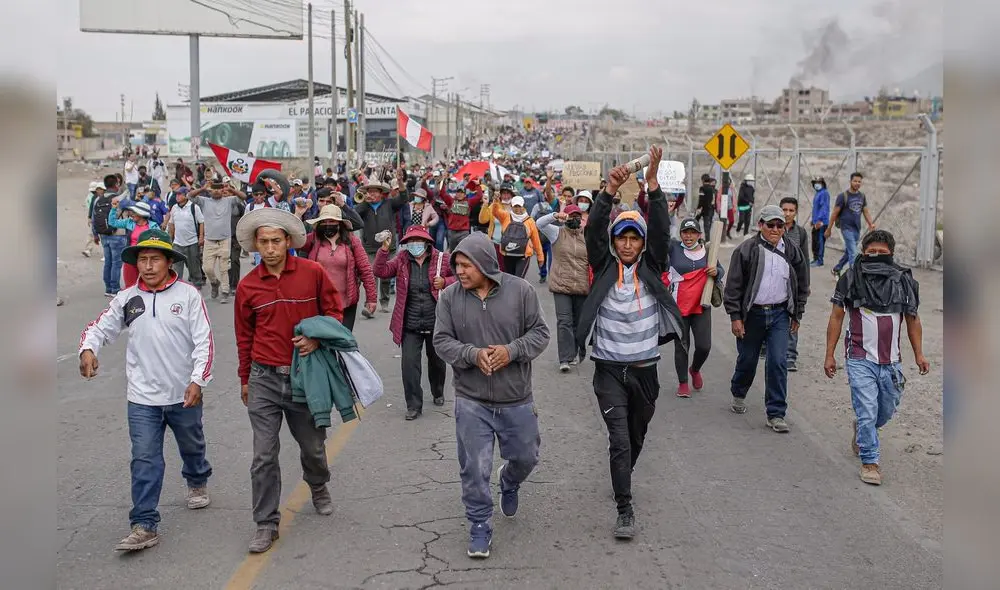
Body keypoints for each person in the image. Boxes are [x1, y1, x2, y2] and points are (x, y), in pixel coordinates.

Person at [78, 229, 214, 552]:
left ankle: (197, 478)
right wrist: (88, 349)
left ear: (169, 262)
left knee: (192, 445)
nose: (148, 266)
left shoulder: (188, 296)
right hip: (142, 399)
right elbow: (99, 327)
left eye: (155, 259)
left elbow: (204, 342)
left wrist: (197, 380)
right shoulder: (127, 299)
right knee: (144, 459)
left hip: (183, 394)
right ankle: (144, 523)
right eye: (143, 260)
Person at [575, 146, 683, 540]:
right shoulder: (604, 267)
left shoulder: (652, 267)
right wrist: (608, 192)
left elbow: (660, 234)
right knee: (619, 439)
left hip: (645, 371)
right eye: (621, 238)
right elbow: (592, 234)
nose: (627, 245)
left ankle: (625, 471)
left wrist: (652, 186)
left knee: (636, 437)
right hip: (608, 372)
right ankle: (625, 509)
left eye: (633, 239)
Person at [433, 232, 550, 559]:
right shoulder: (450, 298)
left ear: (485, 263)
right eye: (456, 264)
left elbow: (540, 334)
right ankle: (480, 524)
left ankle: (509, 480)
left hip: (516, 397)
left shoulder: (521, 291)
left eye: (466, 265)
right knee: (473, 468)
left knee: (527, 457)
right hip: (472, 400)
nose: (460, 271)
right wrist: (471, 355)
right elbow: (441, 341)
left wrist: (511, 351)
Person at [234, 208, 344, 554]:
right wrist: (245, 379)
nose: (269, 248)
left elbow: (335, 312)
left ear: (288, 242)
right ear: (255, 244)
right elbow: (243, 336)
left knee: (313, 447)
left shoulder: (312, 273)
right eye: (263, 242)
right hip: (264, 378)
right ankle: (266, 523)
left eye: (276, 241)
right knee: (263, 455)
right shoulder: (248, 285)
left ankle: (318, 484)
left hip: (304, 376)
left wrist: (318, 339)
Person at [823, 230, 929, 485]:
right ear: (863, 251)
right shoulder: (850, 278)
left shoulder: (903, 281)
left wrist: (919, 354)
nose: (877, 256)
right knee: (868, 411)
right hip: (859, 358)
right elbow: (836, 317)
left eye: (883, 252)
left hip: (891, 361)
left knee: (886, 409)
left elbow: (913, 320)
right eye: (872, 251)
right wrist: (830, 354)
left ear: (891, 254)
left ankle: (862, 430)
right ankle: (870, 462)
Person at [724, 205, 810, 433]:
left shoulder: (792, 251)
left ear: (785, 227)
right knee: (748, 359)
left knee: (778, 362)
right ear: (760, 225)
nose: (774, 229)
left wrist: (797, 313)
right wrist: (735, 317)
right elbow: (733, 287)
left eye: (779, 225)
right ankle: (739, 392)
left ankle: (776, 413)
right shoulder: (746, 250)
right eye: (770, 224)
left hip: (780, 314)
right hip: (752, 315)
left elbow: (802, 284)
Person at [374, 225, 456, 420]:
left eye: (418, 241)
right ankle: (413, 405)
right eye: (410, 242)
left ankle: (438, 391)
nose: (414, 244)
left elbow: (461, 277)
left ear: (427, 242)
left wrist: (445, 282)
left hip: (436, 320)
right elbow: (380, 271)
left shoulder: (442, 259)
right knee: (409, 365)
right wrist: (384, 250)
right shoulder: (402, 260)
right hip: (410, 323)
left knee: (437, 362)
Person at [666, 218, 724, 397]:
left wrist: (716, 272)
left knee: (704, 346)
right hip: (679, 307)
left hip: (701, 306)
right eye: (685, 232)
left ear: (699, 235)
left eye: (692, 232)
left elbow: (720, 270)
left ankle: (695, 369)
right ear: (680, 234)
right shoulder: (673, 247)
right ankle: (683, 383)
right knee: (682, 346)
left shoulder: (708, 251)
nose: (688, 236)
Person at [301, 204, 377, 331]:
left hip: (346, 304)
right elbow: (294, 241)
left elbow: (365, 270)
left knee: (343, 342)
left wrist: (371, 299)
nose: (327, 224)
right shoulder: (313, 239)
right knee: (323, 342)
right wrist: (298, 214)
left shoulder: (352, 241)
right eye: (324, 221)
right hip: (320, 303)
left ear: (339, 223)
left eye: (331, 221)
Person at [536, 205, 589, 371]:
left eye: (577, 216)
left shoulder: (587, 235)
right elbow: (539, 224)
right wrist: (555, 215)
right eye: (570, 215)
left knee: (578, 323)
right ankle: (564, 359)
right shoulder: (556, 233)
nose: (574, 218)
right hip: (561, 285)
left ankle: (574, 352)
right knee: (564, 321)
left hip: (581, 285)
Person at [354, 171, 409, 312]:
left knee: (385, 275)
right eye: (369, 192)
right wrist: (364, 202)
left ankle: (384, 301)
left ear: (381, 193)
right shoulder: (363, 207)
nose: (371, 194)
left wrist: (400, 181)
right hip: (370, 248)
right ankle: (370, 305)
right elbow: (353, 215)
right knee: (371, 276)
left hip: (387, 247)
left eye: (374, 192)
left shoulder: (389, 204)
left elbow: (403, 198)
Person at [188, 179, 246, 303]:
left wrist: (230, 189)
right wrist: (203, 188)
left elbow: (243, 196)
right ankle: (215, 283)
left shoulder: (229, 200)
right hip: (209, 241)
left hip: (225, 239)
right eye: (214, 188)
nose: (216, 190)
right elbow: (190, 196)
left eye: (219, 188)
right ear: (210, 190)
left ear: (222, 189)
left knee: (224, 268)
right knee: (207, 268)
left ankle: (224, 292)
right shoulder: (204, 201)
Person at [481, 193, 545, 279]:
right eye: (515, 206)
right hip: (507, 254)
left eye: (519, 206)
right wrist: (496, 201)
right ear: (511, 206)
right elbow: (495, 212)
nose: (517, 209)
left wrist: (540, 257)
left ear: (523, 206)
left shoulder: (530, 221)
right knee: (509, 279)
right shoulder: (505, 216)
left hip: (523, 255)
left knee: (519, 279)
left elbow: (536, 240)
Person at [780, 197, 810, 372]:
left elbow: (805, 260)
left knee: (793, 316)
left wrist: (806, 284)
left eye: (791, 210)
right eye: (784, 210)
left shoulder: (801, 233)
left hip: (794, 282)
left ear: (796, 212)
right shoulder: (773, 228)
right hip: (775, 280)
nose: (787, 213)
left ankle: (790, 356)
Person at [825, 172, 876, 278]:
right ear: (850, 182)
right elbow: (834, 213)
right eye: (855, 181)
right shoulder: (843, 196)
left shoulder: (862, 196)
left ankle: (836, 269)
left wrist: (871, 223)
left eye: (859, 181)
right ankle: (855, 278)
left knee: (849, 252)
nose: (857, 183)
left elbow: (865, 211)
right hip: (846, 228)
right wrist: (829, 229)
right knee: (854, 253)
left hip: (857, 228)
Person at [108, 200, 160, 289]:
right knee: (130, 286)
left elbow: (159, 244)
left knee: (148, 285)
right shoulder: (129, 222)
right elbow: (112, 222)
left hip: (146, 260)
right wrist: (113, 209)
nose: (131, 214)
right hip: (131, 258)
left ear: (141, 214)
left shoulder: (154, 227)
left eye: (134, 212)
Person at [92, 174, 128, 296]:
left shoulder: (98, 199)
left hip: (103, 235)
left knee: (108, 262)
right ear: (116, 185)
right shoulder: (119, 199)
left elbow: (94, 218)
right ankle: (115, 289)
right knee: (116, 263)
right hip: (118, 234)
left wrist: (95, 234)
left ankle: (108, 288)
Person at [166, 187, 205, 288]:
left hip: (192, 242)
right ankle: (176, 286)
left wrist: (201, 237)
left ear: (186, 195)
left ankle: (197, 284)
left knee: (194, 267)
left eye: (180, 194)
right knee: (176, 267)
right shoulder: (174, 207)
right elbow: (171, 224)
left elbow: (201, 222)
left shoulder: (194, 207)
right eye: (176, 194)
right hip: (178, 243)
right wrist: (170, 240)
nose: (177, 196)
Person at [810, 177, 831, 267]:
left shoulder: (824, 193)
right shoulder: (818, 193)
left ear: (822, 183)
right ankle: (815, 259)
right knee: (815, 240)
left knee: (819, 241)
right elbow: (816, 208)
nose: (816, 184)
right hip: (816, 221)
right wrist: (813, 220)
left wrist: (819, 220)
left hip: (821, 222)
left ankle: (819, 260)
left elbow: (824, 208)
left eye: (819, 182)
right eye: (815, 182)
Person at [696, 174, 716, 239]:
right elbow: (711, 199)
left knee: (695, 222)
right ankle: (707, 240)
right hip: (708, 208)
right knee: (706, 226)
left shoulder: (702, 188)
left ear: (703, 180)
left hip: (702, 208)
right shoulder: (711, 189)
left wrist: (698, 208)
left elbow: (701, 199)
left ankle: (697, 237)